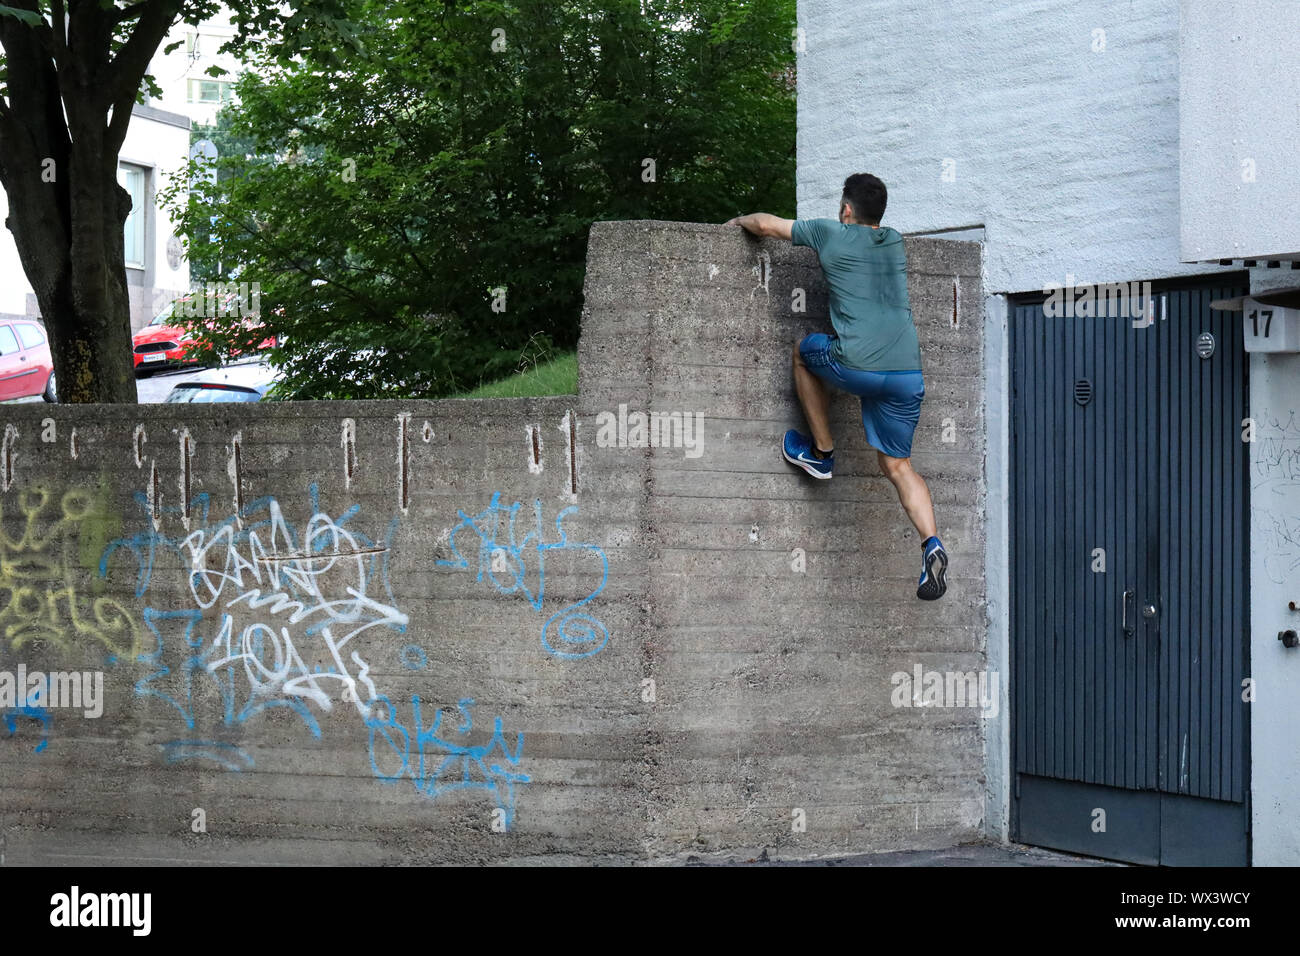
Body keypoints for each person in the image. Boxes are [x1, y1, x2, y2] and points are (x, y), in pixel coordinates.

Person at [723, 173, 947, 600]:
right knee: (898, 467)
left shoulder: (831, 232)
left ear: (846, 210)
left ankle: (822, 453)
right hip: (906, 375)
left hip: (857, 365)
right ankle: (931, 543)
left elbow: (767, 225)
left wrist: (738, 221)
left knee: (802, 352)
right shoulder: (895, 241)